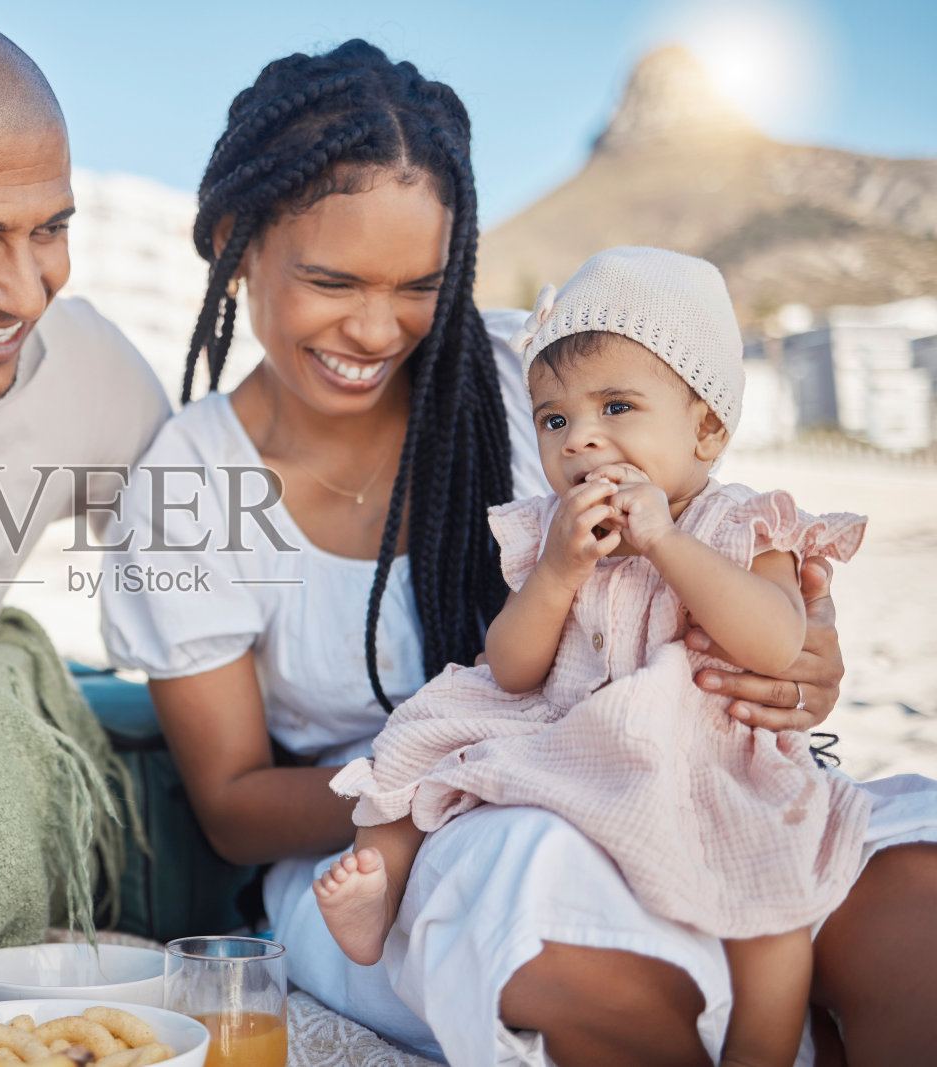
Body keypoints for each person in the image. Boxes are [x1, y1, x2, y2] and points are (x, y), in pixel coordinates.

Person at [99, 40, 937, 1066]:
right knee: (573, 933)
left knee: (914, 902)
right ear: (235, 240)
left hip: (674, 771)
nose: (377, 328)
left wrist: (799, 657)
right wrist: (476, 767)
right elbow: (231, 804)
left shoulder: (532, 378)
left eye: (419, 284)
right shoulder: (190, 485)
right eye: (332, 280)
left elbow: (708, 527)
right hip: (396, 843)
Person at [314, 247, 872, 1067]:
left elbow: (775, 642)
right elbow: (512, 667)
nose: (580, 439)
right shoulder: (551, 529)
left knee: (771, 894)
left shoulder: (743, 523)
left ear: (707, 428)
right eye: (554, 420)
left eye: (616, 406)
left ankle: (760, 1047)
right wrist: (556, 574)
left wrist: (667, 543)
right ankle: (379, 882)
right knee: (425, 740)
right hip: (563, 722)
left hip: (699, 741)